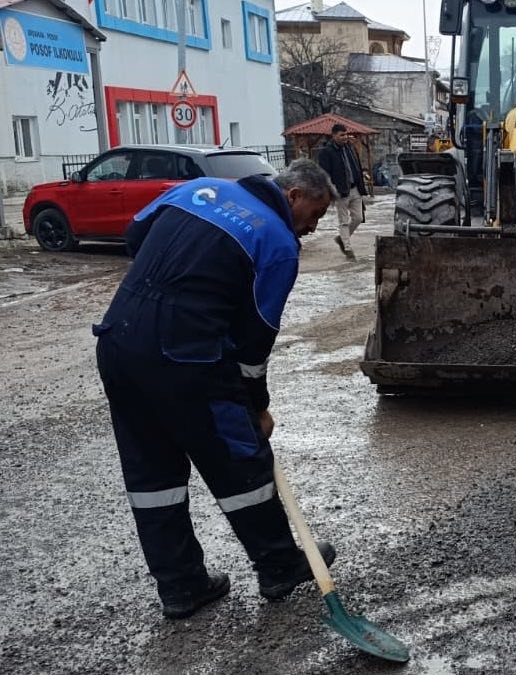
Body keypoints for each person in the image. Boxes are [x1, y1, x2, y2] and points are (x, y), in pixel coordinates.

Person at [93, 160, 338, 619]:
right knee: (239, 455)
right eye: (315, 215)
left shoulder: (199, 188)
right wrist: (257, 408)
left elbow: (134, 236)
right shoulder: (278, 242)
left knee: (153, 475)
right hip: (187, 354)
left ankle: (182, 586)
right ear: (293, 197)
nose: (311, 228)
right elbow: (253, 343)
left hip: (119, 340)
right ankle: (280, 564)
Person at [316, 123, 368, 259]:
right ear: (334, 136)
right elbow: (324, 173)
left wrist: (362, 184)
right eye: (342, 135)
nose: (345, 137)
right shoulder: (326, 152)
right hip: (340, 191)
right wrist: (331, 190)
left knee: (358, 218)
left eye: (346, 134)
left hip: (355, 188)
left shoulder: (350, 148)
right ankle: (348, 249)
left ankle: (341, 239)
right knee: (343, 221)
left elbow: (357, 166)